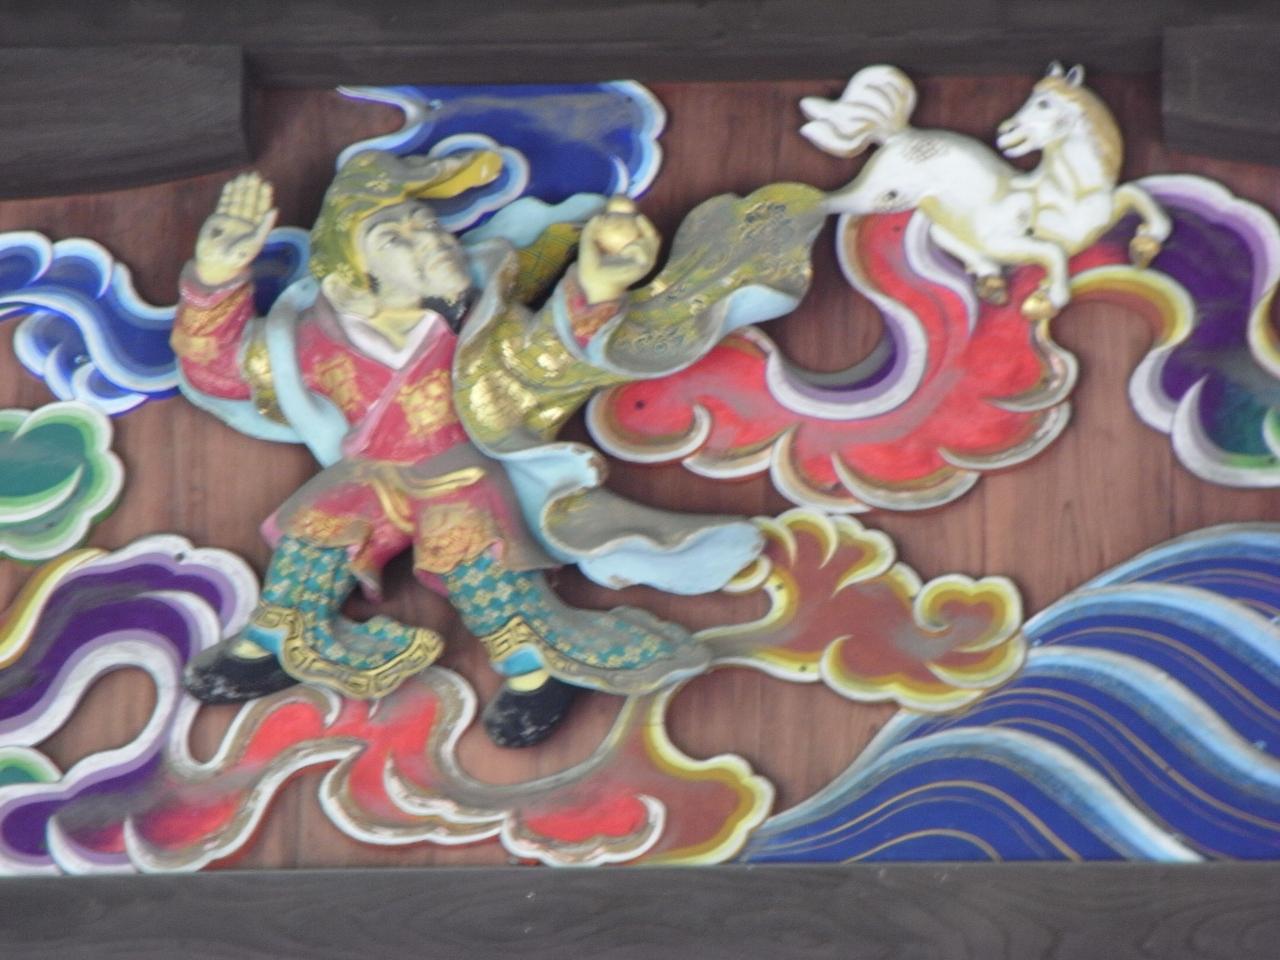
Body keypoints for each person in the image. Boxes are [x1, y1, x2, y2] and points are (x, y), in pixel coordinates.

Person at [172, 148, 825, 746]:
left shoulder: (482, 334)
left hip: (460, 471)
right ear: (350, 283)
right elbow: (222, 372)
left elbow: (548, 358)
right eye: (394, 237)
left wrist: (597, 287)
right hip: (370, 473)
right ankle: (274, 640)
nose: (426, 238)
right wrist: (216, 277)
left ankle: (533, 667)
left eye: (426, 226)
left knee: (469, 549)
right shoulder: (317, 342)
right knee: (317, 523)